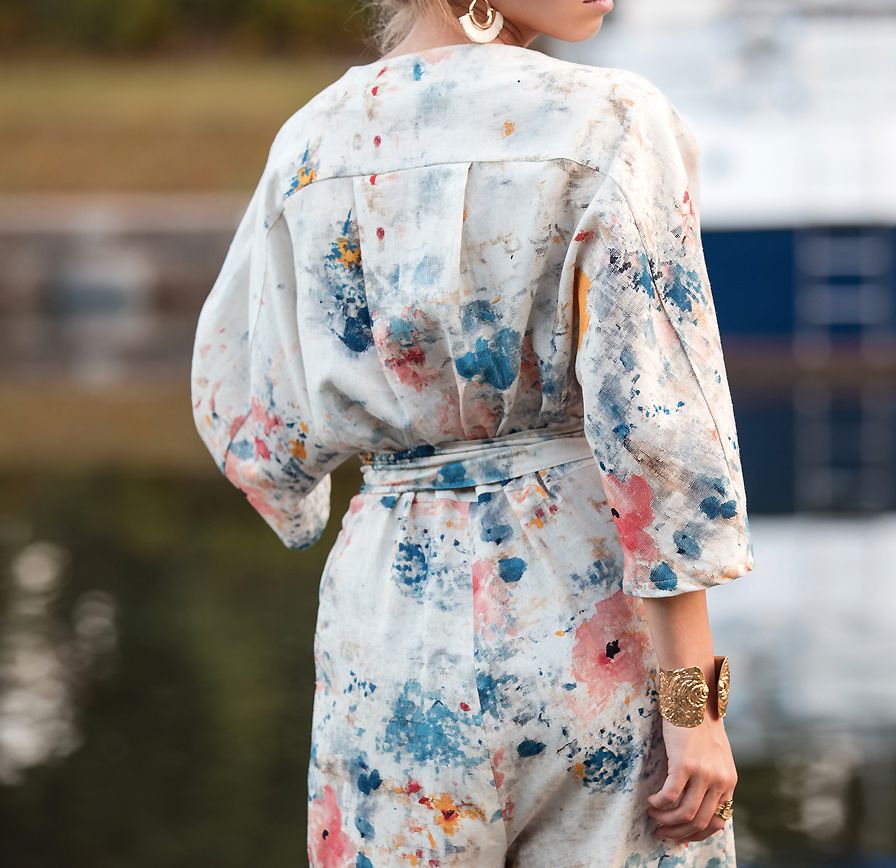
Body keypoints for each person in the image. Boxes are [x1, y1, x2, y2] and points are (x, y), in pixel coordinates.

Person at [189, 0, 755, 865]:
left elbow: (251, 422)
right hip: (580, 605)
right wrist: (694, 708)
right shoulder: (611, 121)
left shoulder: (312, 144)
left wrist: (337, 481)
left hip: (388, 615)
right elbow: (660, 430)